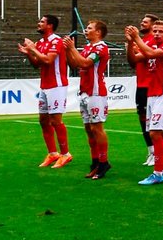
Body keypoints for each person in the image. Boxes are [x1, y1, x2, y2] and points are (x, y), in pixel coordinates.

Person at [125, 20, 163, 185]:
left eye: (160, 31)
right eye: (154, 31)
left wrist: (137, 39)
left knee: (155, 133)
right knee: (158, 133)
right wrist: (130, 43)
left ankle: (157, 172)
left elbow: (151, 53)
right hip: (152, 95)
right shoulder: (151, 47)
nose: (156, 34)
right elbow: (133, 60)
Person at [18, 14, 72, 168]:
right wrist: (29, 53)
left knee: (56, 120)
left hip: (57, 86)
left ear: (50, 25)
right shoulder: (41, 42)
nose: (39, 23)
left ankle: (66, 154)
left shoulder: (57, 41)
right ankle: (53, 153)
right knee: (43, 120)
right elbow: (37, 64)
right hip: (45, 86)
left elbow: (48, 60)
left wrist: (33, 49)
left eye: (42, 21)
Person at [63, 20, 111, 179]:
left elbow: (85, 63)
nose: (85, 30)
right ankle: (95, 162)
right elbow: (75, 64)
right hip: (84, 91)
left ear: (98, 32)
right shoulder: (87, 48)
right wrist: (67, 51)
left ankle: (103, 163)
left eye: (89, 28)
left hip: (95, 92)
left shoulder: (100, 47)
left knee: (97, 128)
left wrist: (71, 48)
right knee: (89, 130)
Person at [126, 13, 159, 166]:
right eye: (142, 20)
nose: (142, 23)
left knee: (152, 121)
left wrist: (134, 42)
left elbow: (140, 57)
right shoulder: (142, 41)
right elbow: (133, 62)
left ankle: (157, 153)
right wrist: (129, 46)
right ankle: (151, 151)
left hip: (151, 86)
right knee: (143, 120)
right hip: (141, 85)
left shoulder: (153, 41)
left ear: (154, 25)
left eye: (145, 22)